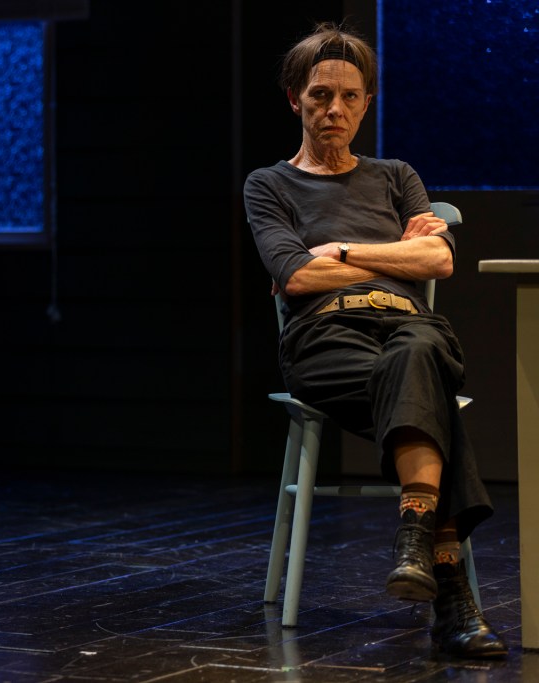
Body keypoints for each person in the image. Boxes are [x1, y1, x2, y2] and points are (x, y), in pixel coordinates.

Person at [243, 23, 507, 659]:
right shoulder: (269, 185)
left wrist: (339, 249)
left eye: (350, 97)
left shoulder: (395, 176)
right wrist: (397, 256)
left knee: (416, 351)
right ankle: (452, 592)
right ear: (293, 99)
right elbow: (299, 274)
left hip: (407, 326)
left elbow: (439, 265)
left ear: (367, 102)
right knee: (427, 380)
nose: (334, 110)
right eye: (319, 96)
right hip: (324, 337)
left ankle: (418, 540)